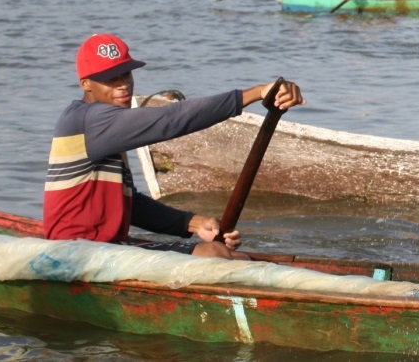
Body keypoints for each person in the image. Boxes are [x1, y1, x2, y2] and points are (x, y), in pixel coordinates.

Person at [43, 33, 305, 259]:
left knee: (232, 255)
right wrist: (256, 92)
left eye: (126, 74)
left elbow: (130, 204)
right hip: (76, 254)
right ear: (85, 84)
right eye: (110, 79)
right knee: (216, 255)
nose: (123, 85)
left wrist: (194, 223)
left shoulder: (105, 126)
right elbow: (170, 119)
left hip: (109, 249)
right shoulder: (88, 120)